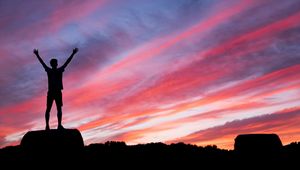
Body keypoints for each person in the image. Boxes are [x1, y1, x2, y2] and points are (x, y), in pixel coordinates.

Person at [34, 48, 78, 130]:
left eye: (55, 63)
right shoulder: (52, 71)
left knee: (56, 109)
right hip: (53, 92)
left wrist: (73, 54)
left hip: (56, 92)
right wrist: (37, 55)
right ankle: (49, 125)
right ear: (55, 64)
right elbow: (66, 62)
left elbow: (67, 62)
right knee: (50, 109)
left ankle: (57, 125)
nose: (56, 64)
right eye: (55, 63)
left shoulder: (55, 70)